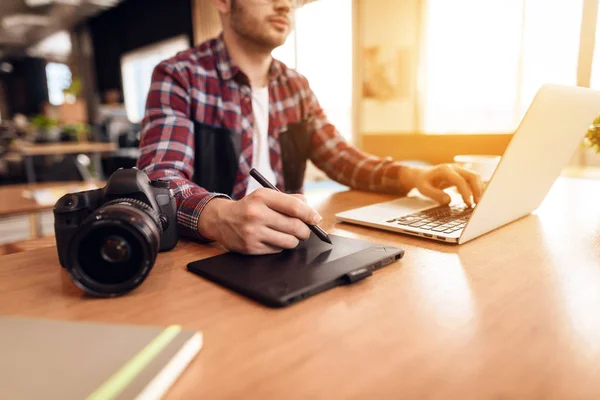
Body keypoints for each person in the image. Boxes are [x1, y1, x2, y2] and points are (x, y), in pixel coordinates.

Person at [137, 0, 483, 255]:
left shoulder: (295, 85)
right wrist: (219, 217)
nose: (285, 5)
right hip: (208, 257)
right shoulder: (179, 75)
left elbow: (341, 158)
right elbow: (159, 178)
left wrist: (414, 177)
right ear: (224, 2)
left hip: (288, 247)